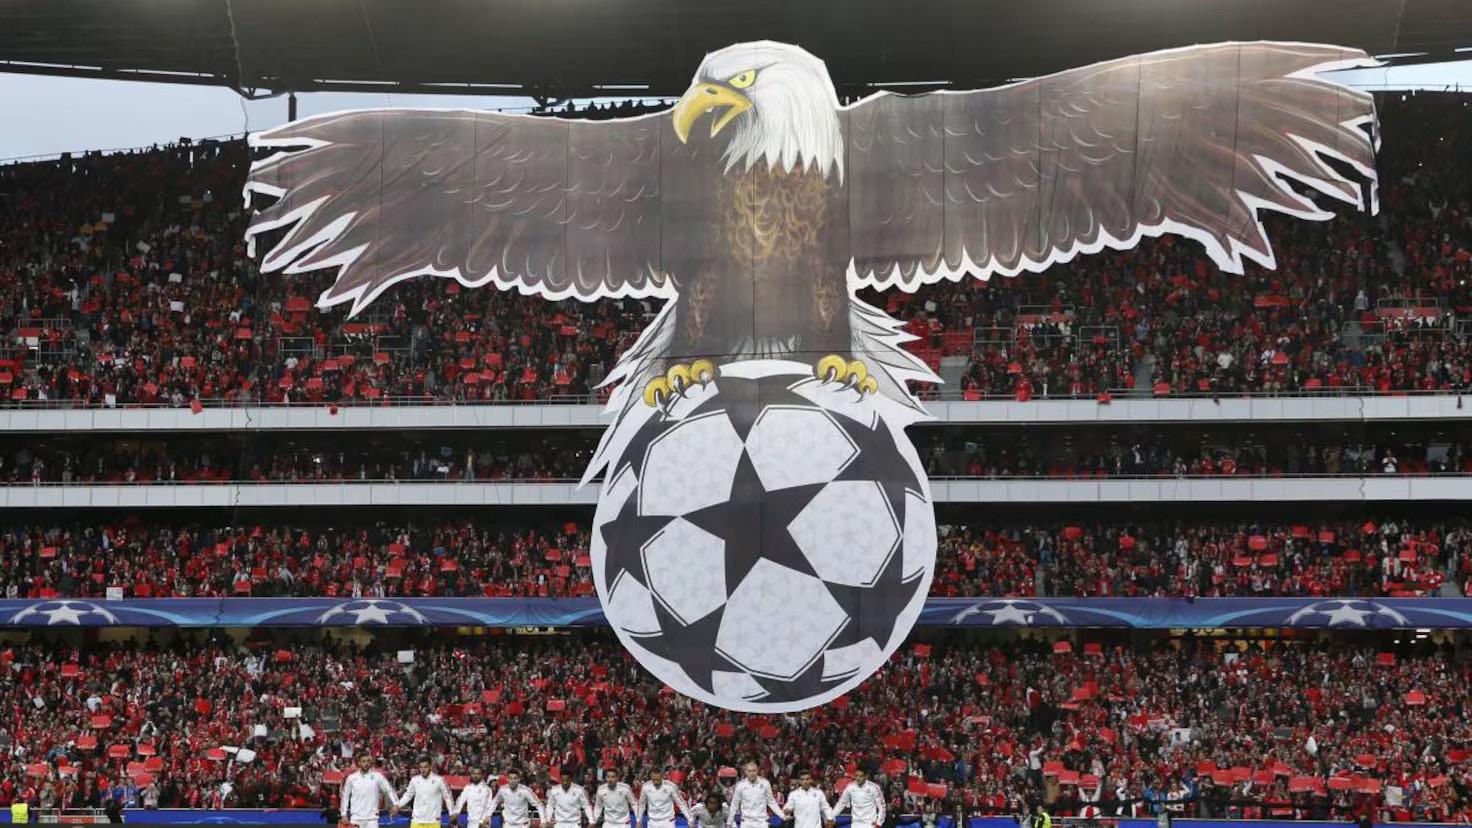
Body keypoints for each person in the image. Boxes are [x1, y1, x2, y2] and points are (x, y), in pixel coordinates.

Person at [342, 754, 398, 828]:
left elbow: (389, 789)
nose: (366, 763)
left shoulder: (377, 776)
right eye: (363, 761)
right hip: (356, 818)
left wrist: (396, 804)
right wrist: (343, 814)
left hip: (372, 819)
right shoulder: (351, 778)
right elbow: (345, 796)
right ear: (359, 763)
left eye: (368, 761)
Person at [397, 756, 455, 828]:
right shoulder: (414, 780)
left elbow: (448, 797)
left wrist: (451, 812)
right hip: (417, 821)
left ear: (430, 766)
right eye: (421, 767)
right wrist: (398, 806)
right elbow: (408, 795)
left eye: (425, 767)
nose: (423, 770)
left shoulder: (439, 780)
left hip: (433, 821)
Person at [727, 763, 782, 828]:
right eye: (749, 771)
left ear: (757, 771)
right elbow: (734, 804)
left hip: (761, 822)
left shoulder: (765, 783)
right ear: (745, 772)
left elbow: (771, 802)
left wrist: (782, 815)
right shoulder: (740, 785)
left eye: (754, 771)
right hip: (746, 822)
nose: (752, 773)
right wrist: (729, 822)